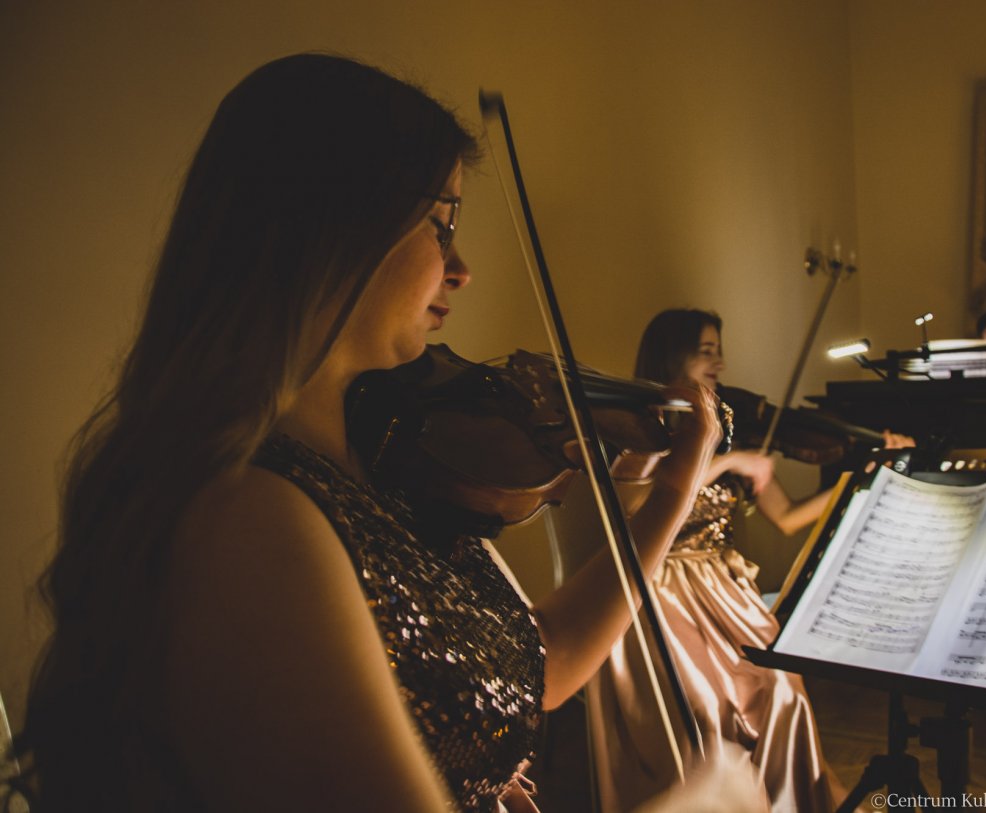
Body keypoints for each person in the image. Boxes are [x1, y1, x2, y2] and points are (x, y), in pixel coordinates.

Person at [11, 54, 725, 812]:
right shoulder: (251, 516)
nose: (462, 268)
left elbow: (538, 665)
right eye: (441, 223)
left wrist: (674, 492)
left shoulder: (385, 460)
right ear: (334, 224)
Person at [586, 309, 912, 812]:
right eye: (707, 350)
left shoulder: (726, 427)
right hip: (660, 595)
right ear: (673, 355)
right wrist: (731, 460)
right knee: (710, 710)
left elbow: (787, 517)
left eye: (720, 349)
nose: (721, 360)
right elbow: (635, 511)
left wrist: (864, 472)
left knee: (784, 691)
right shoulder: (636, 429)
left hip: (724, 591)